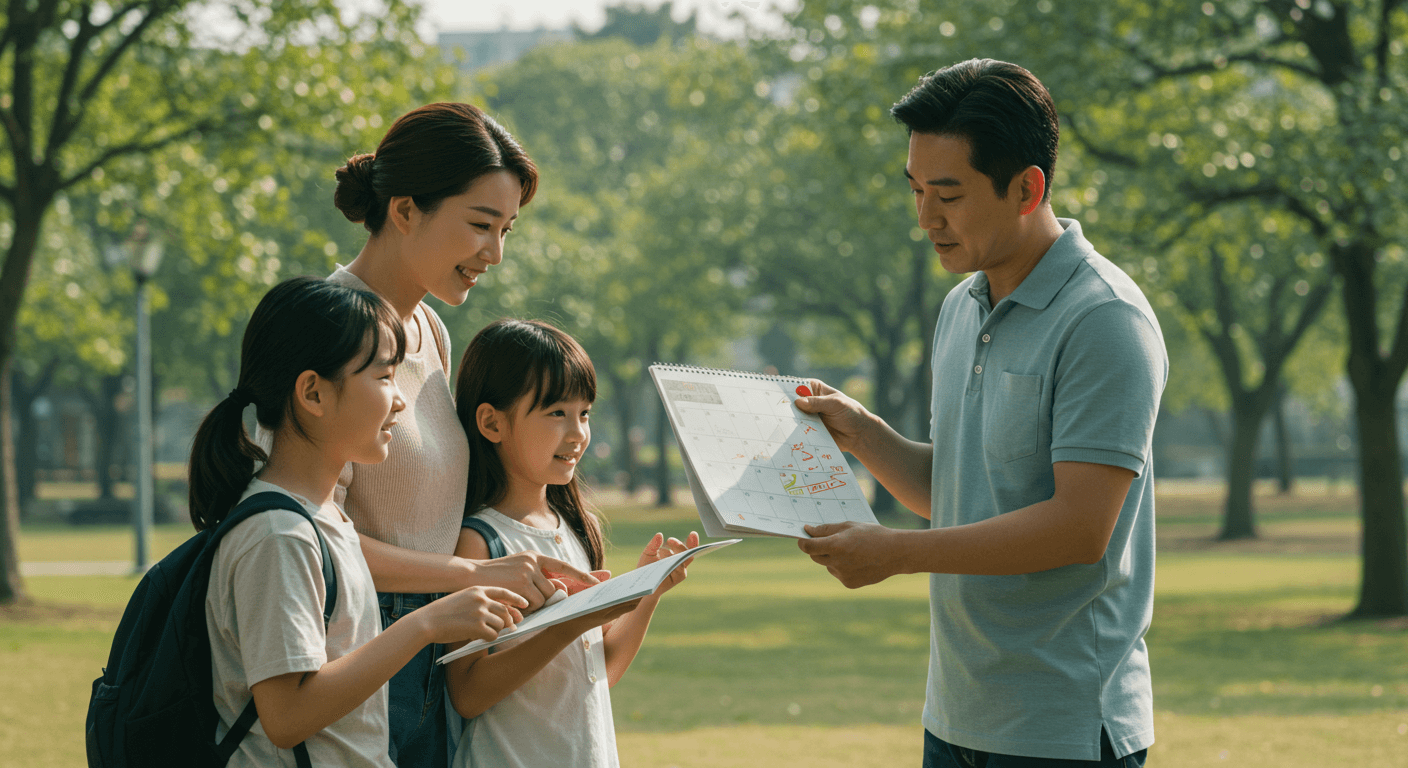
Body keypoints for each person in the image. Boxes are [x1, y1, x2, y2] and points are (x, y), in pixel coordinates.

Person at [794, 59, 1164, 766]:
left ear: (1028, 188)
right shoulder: (962, 305)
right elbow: (964, 492)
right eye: (916, 190)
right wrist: (864, 434)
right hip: (958, 717)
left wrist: (897, 554)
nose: (926, 217)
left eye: (950, 195)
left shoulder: (1105, 321)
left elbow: (1079, 528)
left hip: (1062, 730)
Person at [329, 102, 598, 765]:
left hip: (438, 655)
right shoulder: (330, 331)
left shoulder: (431, 333)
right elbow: (312, 536)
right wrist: (469, 571)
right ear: (405, 210)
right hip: (365, 659)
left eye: (506, 229)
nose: (496, 254)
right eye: (481, 225)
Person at [191, 276, 529, 767]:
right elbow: (286, 716)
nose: (399, 401)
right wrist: (424, 624)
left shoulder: (325, 520)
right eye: (383, 377)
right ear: (313, 393)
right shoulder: (279, 535)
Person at [444, 319, 699, 768]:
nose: (578, 432)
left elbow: (601, 672)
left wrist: (647, 592)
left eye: (583, 413)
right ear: (492, 422)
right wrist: (568, 624)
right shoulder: (481, 545)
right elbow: (466, 693)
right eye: (556, 412)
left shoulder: (577, 531)